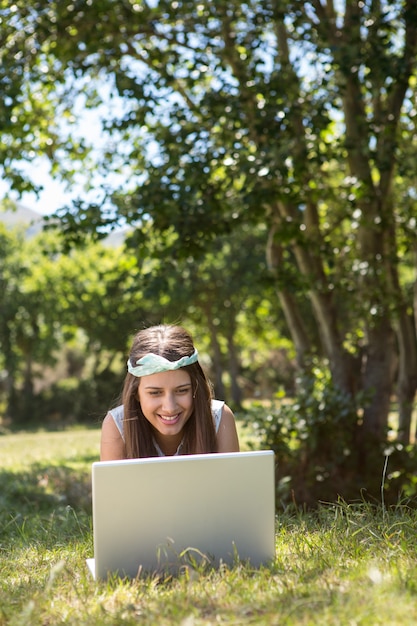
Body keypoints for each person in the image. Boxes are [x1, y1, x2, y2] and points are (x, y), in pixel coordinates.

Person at [100, 324, 240, 460]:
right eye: (155, 393)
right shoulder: (117, 425)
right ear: (136, 393)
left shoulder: (219, 418)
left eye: (182, 391)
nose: (169, 407)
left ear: (196, 388)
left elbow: (232, 483)